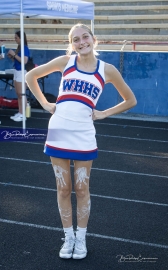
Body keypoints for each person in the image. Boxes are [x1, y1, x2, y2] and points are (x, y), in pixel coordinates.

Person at [25, 23, 137, 260]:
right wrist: (45, 104)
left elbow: (130, 100)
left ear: (93, 39)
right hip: (57, 130)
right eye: (75, 39)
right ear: (71, 43)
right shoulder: (65, 62)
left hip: (84, 133)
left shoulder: (107, 70)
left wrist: (104, 113)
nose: (81, 42)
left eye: (85, 37)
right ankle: (68, 237)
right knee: (63, 188)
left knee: (82, 188)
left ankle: (82, 237)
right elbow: (30, 75)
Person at [7, 31, 30, 122]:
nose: (15, 39)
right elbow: (17, 61)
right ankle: (20, 112)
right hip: (17, 71)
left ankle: (23, 114)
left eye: (16, 37)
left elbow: (24, 61)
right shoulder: (19, 48)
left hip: (21, 72)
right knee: (18, 94)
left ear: (21, 38)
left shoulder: (25, 48)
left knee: (22, 94)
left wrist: (14, 54)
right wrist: (12, 57)